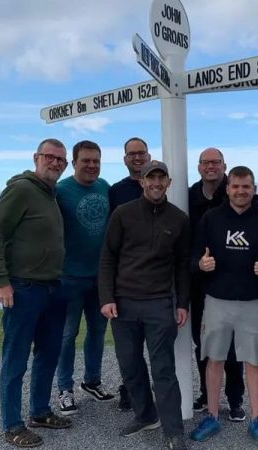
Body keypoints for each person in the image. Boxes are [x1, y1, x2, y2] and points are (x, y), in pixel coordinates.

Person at [0, 138, 72, 448]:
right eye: (50, 157)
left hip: (53, 288)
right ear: (36, 157)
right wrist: (1, 281)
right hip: (22, 289)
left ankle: (40, 411)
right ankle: (12, 424)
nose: (56, 163)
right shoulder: (20, 190)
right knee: (16, 359)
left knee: (48, 354)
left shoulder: (51, 194)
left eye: (61, 159)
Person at [99, 160, 191, 450]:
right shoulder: (122, 214)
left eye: (161, 178)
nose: (156, 183)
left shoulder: (178, 219)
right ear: (142, 181)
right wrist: (107, 298)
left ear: (168, 182)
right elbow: (107, 258)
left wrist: (182, 303)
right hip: (124, 304)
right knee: (129, 365)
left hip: (160, 303)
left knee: (163, 370)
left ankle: (173, 432)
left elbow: (182, 267)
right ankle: (145, 415)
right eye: (151, 178)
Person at [189, 166, 258, 448]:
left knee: (253, 362)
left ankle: (256, 418)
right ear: (227, 188)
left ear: (254, 189)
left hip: (252, 302)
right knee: (214, 358)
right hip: (217, 301)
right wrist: (201, 264)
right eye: (235, 186)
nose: (240, 191)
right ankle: (213, 415)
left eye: (246, 186)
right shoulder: (211, 218)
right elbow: (195, 253)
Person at [54, 140, 115, 416]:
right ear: (74, 162)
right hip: (69, 277)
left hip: (100, 277)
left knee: (98, 332)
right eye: (86, 161)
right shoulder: (60, 191)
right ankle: (64, 389)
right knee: (67, 335)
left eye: (96, 161)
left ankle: (92, 381)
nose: (91, 165)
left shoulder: (104, 187)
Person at [188, 147, 245, 420]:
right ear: (199, 167)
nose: (211, 166)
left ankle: (235, 399)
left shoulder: (234, 192)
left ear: (224, 165)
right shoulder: (187, 196)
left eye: (216, 162)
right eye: (205, 162)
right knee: (203, 344)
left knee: (233, 346)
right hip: (200, 284)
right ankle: (205, 393)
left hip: (231, 284)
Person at [105, 136, 152, 411]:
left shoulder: (161, 184)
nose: (137, 158)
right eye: (132, 154)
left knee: (159, 344)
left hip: (158, 277)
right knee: (129, 345)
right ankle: (130, 388)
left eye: (141, 153)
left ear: (148, 156)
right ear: (125, 159)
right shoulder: (116, 191)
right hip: (126, 277)